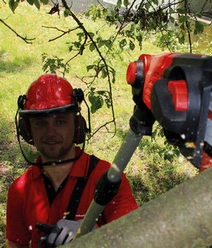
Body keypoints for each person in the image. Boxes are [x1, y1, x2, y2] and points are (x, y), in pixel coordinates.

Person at [6, 74, 138, 248]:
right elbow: (16, 245)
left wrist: (95, 237)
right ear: (28, 130)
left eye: (60, 122)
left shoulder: (107, 179)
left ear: (77, 126)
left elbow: (135, 238)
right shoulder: (19, 190)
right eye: (40, 123)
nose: (50, 132)